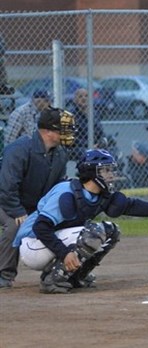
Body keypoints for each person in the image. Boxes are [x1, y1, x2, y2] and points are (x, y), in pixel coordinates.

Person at [11, 149, 148, 294]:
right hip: (32, 245)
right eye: (106, 170)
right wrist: (65, 253)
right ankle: (53, 279)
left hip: (50, 243)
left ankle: (76, 274)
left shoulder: (101, 195)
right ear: (92, 172)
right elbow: (40, 227)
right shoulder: (66, 192)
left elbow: (131, 206)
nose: (111, 174)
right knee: (94, 231)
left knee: (111, 230)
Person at [0, 107, 75, 289]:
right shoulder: (19, 149)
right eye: (63, 129)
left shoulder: (60, 153)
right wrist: (17, 211)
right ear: (48, 131)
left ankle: (56, 272)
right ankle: (4, 275)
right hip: (6, 200)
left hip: (32, 203)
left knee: (59, 223)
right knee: (14, 227)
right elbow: (7, 186)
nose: (68, 133)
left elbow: (57, 187)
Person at [68, 88, 107, 161]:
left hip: (95, 145)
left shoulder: (94, 113)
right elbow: (72, 138)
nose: (84, 98)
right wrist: (90, 145)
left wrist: (101, 142)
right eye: (80, 96)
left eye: (86, 96)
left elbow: (100, 132)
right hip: (78, 148)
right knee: (91, 153)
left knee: (112, 150)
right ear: (75, 100)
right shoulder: (71, 115)